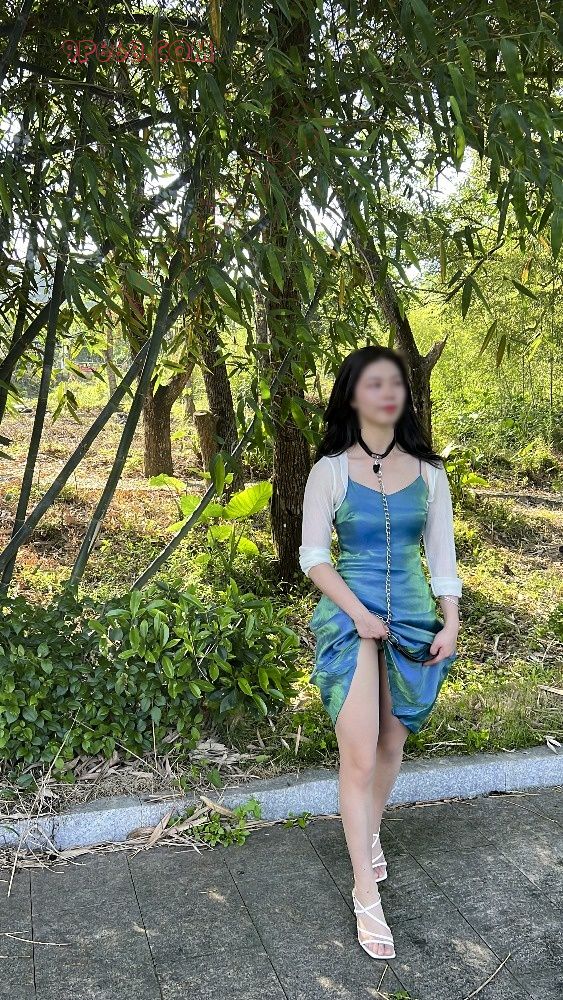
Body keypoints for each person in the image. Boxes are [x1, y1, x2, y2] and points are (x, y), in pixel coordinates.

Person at [299, 345, 462, 961]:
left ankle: (368, 833)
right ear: (351, 395)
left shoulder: (430, 472)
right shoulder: (329, 471)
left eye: (396, 383)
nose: (388, 393)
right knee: (360, 753)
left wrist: (451, 621)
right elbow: (314, 557)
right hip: (350, 617)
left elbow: (442, 557)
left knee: (393, 745)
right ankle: (365, 891)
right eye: (374, 383)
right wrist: (360, 614)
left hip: (416, 617)